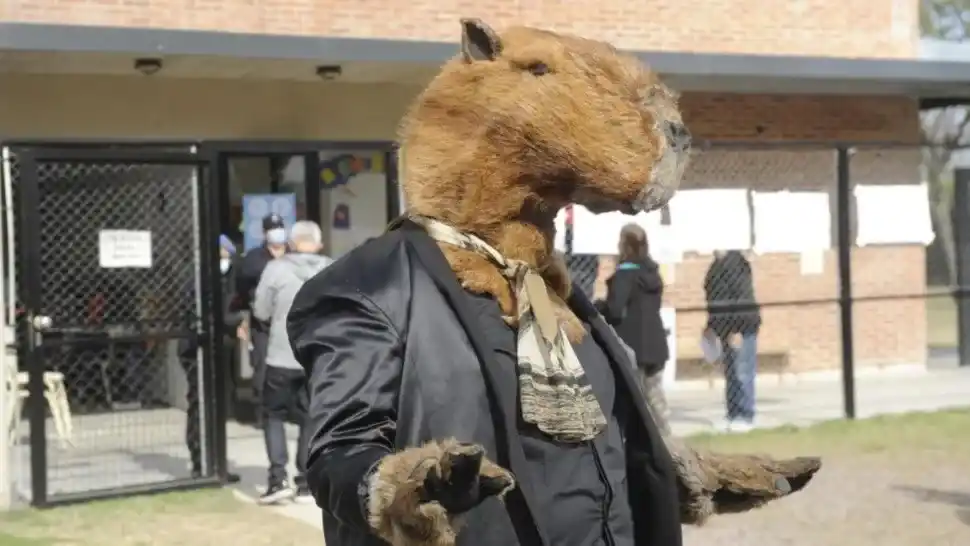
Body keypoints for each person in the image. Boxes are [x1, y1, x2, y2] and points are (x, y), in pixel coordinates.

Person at [252, 221, 333, 504]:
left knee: (273, 414)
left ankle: (278, 479)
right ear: (319, 244)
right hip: (316, 357)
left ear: (291, 243)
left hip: (281, 356)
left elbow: (261, 310)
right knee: (311, 417)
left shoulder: (276, 269)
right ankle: (306, 482)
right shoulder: (333, 270)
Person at [178, 234, 243, 481]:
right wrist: (235, 320)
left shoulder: (222, 277)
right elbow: (211, 311)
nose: (227, 260)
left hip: (216, 347)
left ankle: (217, 462)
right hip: (196, 349)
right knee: (199, 404)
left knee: (217, 405)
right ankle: (199, 462)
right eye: (225, 254)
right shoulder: (197, 277)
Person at [597, 223, 670, 420]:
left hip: (631, 346)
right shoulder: (653, 274)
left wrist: (599, 306)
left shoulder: (624, 275)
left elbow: (615, 310)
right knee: (655, 397)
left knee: (632, 401)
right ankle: (664, 440)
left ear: (624, 245)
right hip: (655, 345)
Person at [235, 213, 288, 420]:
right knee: (263, 368)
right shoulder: (254, 259)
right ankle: (263, 414)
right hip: (263, 323)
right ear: (265, 233)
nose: (276, 232)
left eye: (279, 227)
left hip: (289, 321)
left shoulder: (293, 255)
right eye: (272, 229)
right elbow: (242, 289)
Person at [703, 249, 762, 432]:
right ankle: (733, 413)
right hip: (725, 328)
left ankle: (745, 415)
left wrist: (737, 328)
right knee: (731, 372)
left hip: (740, 327)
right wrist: (712, 327)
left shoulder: (734, 264)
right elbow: (714, 300)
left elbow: (741, 296)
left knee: (742, 370)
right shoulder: (716, 267)